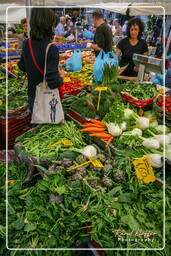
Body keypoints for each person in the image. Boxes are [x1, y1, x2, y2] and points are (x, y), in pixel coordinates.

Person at [18, 8, 64, 113]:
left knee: (36, 125)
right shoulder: (51, 48)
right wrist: (61, 77)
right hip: (47, 98)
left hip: (32, 95)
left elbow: (21, 66)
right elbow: (53, 82)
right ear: (49, 24)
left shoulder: (26, 43)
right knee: (48, 126)